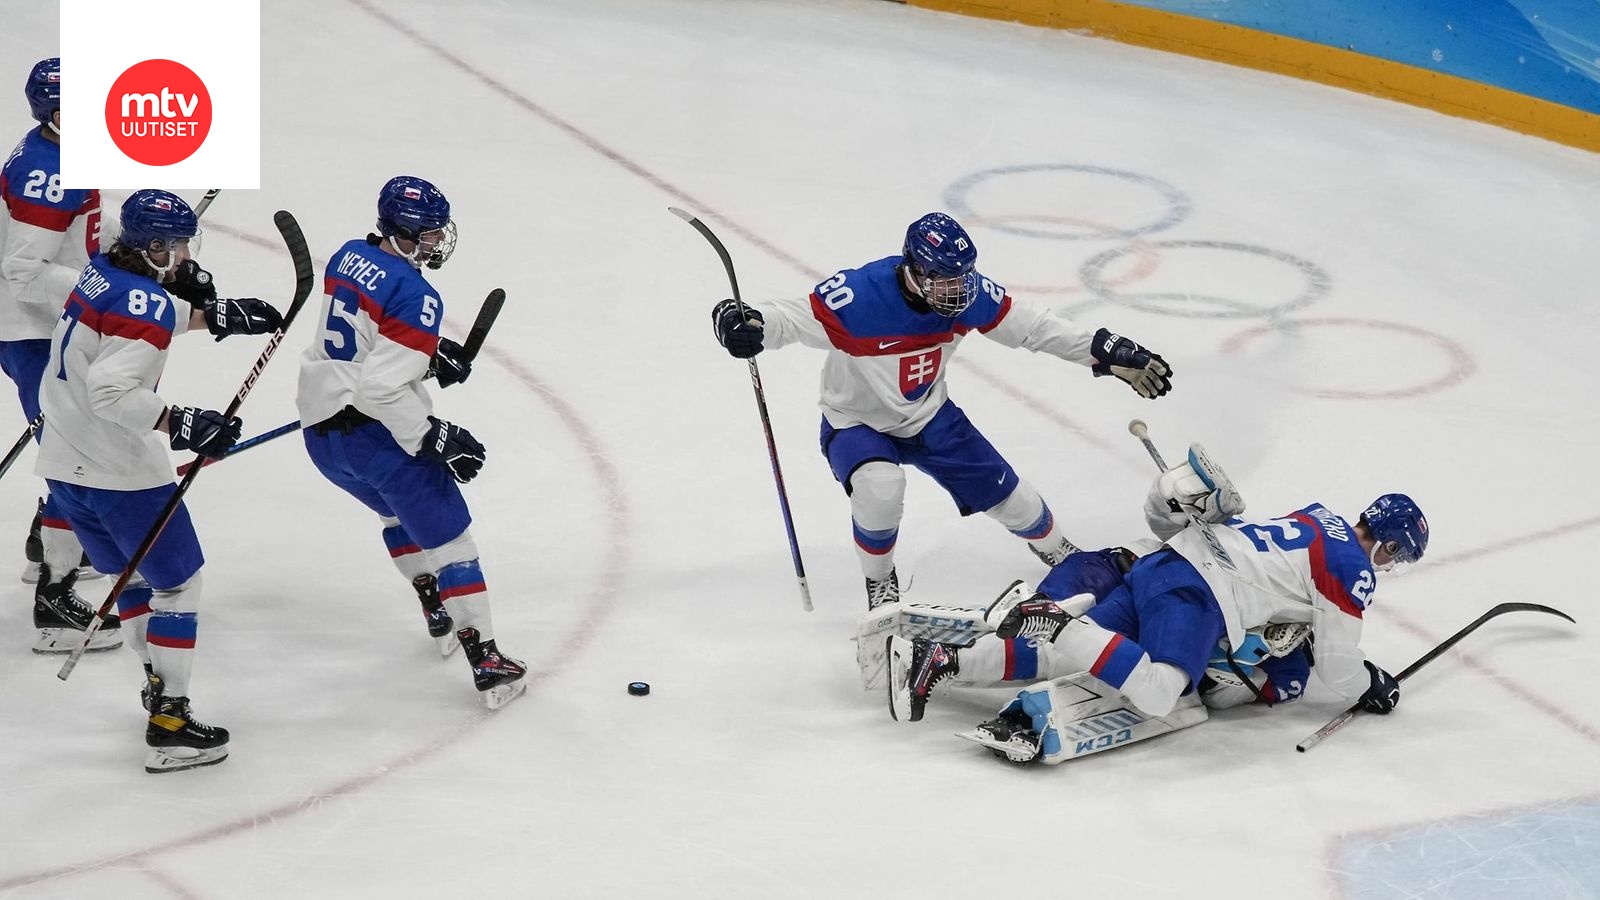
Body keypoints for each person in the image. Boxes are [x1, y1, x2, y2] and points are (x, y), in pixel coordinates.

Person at [710, 212, 1173, 608]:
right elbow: (786, 319)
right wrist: (741, 322)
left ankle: (1059, 551)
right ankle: (879, 581)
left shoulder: (968, 296)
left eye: (962, 277)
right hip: (857, 422)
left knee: (1014, 498)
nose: (957, 290)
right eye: (945, 279)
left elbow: (1033, 328)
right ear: (912, 270)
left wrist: (1105, 352)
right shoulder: (857, 298)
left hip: (930, 416)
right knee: (880, 485)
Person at [886, 443, 1428, 765]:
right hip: (1200, 590)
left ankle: (941, 662)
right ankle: (1054, 621)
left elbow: (1283, 578)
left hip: (1162, 562)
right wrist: (1369, 685)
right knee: (1161, 690)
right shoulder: (1352, 568)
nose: (1389, 565)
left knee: (1069, 658)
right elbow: (1336, 667)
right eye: (1396, 555)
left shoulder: (1317, 516)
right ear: (1389, 542)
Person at [36, 189, 283, 772]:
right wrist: (182, 422)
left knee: (140, 582)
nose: (181, 255)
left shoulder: (97, 275)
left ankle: (156, 684)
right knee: (179, 586)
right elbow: (113, 390)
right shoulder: (144, 302)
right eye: (173, 246)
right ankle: (169, 720)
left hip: (65, 468)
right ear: (151, 247)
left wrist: (210, 317)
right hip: (120, 472)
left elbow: (126, 319)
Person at [296, 175, 526, 709]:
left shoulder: (348, 256)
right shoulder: (419, 294)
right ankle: (486, 659)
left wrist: (427, 351)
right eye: (426, 233)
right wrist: (433, 434)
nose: (434, 241)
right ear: (401, 233)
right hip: (377, 439)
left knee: (395, 517)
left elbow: (367, 341)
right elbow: (380, 386)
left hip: (322, 438)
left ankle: (435, 608)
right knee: (453, 542)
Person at [1, 57, 106, 650]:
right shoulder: (50, 170)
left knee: (72, 443)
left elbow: (77, 230)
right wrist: (109, 289)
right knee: (75, 451)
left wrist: (129, 249)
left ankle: (49, 543)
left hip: (35, 325)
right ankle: (54, 597)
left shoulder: (56, 150)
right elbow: (24, 270)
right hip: (33, 328)